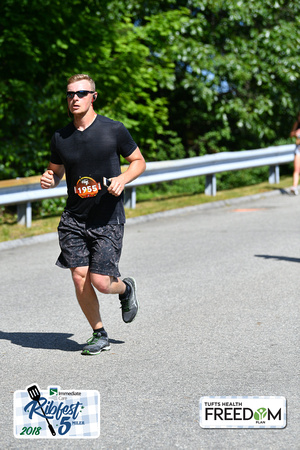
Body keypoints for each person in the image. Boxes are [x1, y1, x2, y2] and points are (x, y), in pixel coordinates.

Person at [40, 74, 146, 355]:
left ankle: (125, 289)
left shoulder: (113, 130)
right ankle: (99, 333)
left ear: (93, 97)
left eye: (81, 93)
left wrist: (123, 178)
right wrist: (51, 177)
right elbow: (56, 169)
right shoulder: (61, 137)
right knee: (79, 276)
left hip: (107, 217)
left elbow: (138, 161)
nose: (74, 98)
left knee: (101, 282)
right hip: (74, 219)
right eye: (70, 94)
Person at [290, 111, 300, 195]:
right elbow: (291, 134)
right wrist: (296, 133)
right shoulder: (297, 124)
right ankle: (294, 186)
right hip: (298, 149)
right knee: (296, 169)